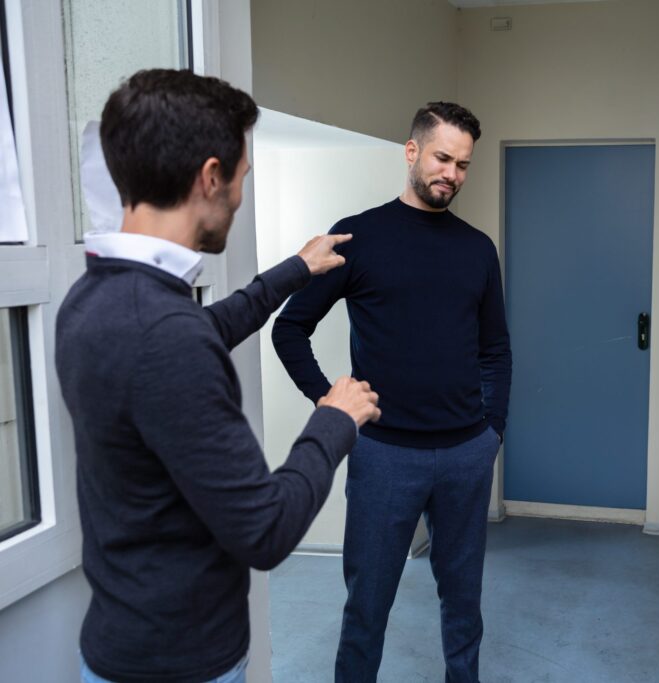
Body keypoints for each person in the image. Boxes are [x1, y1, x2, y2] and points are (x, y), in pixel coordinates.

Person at [56, 68, 381, 683]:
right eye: (239, 179)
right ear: (210, 177)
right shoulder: (162, 334)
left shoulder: (95, 296)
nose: (238, 195)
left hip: (121, 642)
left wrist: (293, 270)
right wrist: (333, 422)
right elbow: (265, 529)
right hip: (177, 665)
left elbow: (199, 330)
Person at [272, 101, 511, 683]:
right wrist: (332, 404)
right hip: (383, 456)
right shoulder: (360, 237)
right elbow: (288, 327)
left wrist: (491, 432)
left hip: (464, 456)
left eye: (463, 164)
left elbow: (496, 350)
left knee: (463, 608)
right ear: (412, 152)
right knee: (367, 610)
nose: (451, 173)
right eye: (441, 158)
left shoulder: (477, 249)